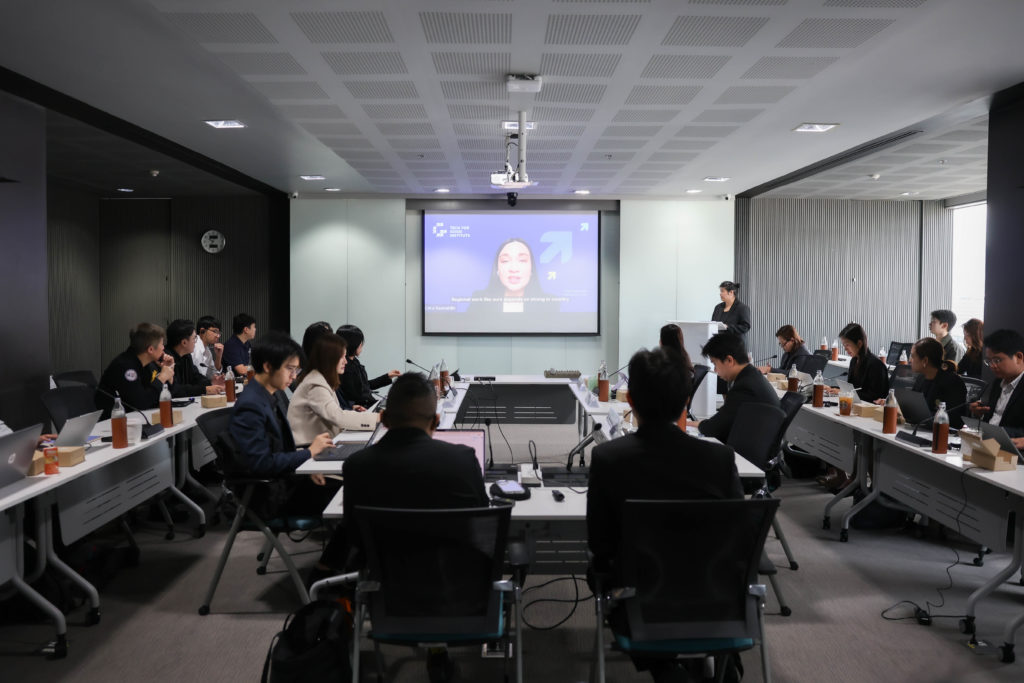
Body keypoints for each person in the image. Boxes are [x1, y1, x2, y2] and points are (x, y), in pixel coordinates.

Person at [587, 347, 742, 683]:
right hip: (713, 598)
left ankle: (665, 669)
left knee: (600, 571)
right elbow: (738, 537)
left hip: (640, 603)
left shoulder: (609, 459)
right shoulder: (720, 460)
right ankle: (715, 666)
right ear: (685, 401)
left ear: (631, 400)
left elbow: (600, 545)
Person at [342, 372, 489, 683]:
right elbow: (481, 525)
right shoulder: (463, 460)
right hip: (461, 596)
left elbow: (354, 539)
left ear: (383, 418)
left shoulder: (357, 467)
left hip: (389, 600)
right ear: (436, 421)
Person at [227, 332, 345, 578]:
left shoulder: (267, 395)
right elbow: (261, 464)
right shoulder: (251, 405)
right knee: (356, 498)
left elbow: (277, 452)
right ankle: (326, 571)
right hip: (270, 495)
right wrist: (308, 454)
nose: (294, 376)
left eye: (296, 369)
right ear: (267, 366)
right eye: (290, 369)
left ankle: (337, 564)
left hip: (285, 482)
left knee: (355, 492)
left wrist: (307, 467)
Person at [288, 333, 378, 445]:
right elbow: (337, 417)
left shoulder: (321, 378)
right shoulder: (315, 384)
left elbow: (332, 412)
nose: (345, 361)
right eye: (342, 357)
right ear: (329, 359)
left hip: (321, 443)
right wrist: (378, 418)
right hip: (309, 448)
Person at [691, 331, 779, 441]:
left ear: (729, 360)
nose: (715, 370)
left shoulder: (744, 387)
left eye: (714, 363)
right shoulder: (751, 376)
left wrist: (692, 424)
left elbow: (714, 428)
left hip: (747, 448)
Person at [95, 322, 175, 417]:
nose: (163, 348)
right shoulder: (125, 367)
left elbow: (158, 397)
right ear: (150, 349)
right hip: (113, 421)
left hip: (135, 417)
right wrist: (162, 378)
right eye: (161, 344)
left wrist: (169, 374)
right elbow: (141, 403)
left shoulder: (145, 364)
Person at [466, 238, 560, 316]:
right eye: (505, 261)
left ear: (531, 269)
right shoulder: (480, 300)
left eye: (522, 260)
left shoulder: (549, 303)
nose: (514, 269)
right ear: (497, 269)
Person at [969, 329, 1024, 447]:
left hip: (1012, 449)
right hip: (989, 444)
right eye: (989, 361)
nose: (992, 366)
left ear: (1018, 357)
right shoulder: (998, 382)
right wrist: (979, 414)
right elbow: (993, 420)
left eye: (997, 360)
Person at [907, 338, 967, 428]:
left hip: (943, 432)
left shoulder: (953, 382)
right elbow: (913, 406)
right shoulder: (921, 378)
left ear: (925, 361)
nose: (910, 360)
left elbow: (954, 419)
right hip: (921, 428)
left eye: (912, 356)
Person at [336, 324, 399, 408]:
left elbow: (364, 385)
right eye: (360, 342)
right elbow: (357, 394)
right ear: (353, 344)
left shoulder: (354, 361)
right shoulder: (345, 367)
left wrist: (387, 376)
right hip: (362, 408)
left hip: (368, 405)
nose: (362, 345)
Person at [166, 319, 223, 398]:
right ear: (184, 342)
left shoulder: (186, 356)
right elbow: (176, 389)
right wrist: (205, 389)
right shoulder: (167, 359)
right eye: (194, 338)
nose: (196, 342)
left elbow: (196, 377)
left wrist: (211, 382)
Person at [839, 322, 889, 402]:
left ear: (859, 343)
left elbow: (875, 397)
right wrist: (832, 389)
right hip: (857, 405)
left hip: (871, 407)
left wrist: (844, 392)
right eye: (844, 346)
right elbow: (852, 389)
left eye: (847, 345)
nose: (845, 349)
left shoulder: (876, 365)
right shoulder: (854, 360)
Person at [191, 315, 224, 380]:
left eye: (219, 333)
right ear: (202, 331)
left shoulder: (207, 350)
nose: (218, 336)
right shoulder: (194, 347)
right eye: (215, 331)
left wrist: (218, 356)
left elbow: (213, 375)